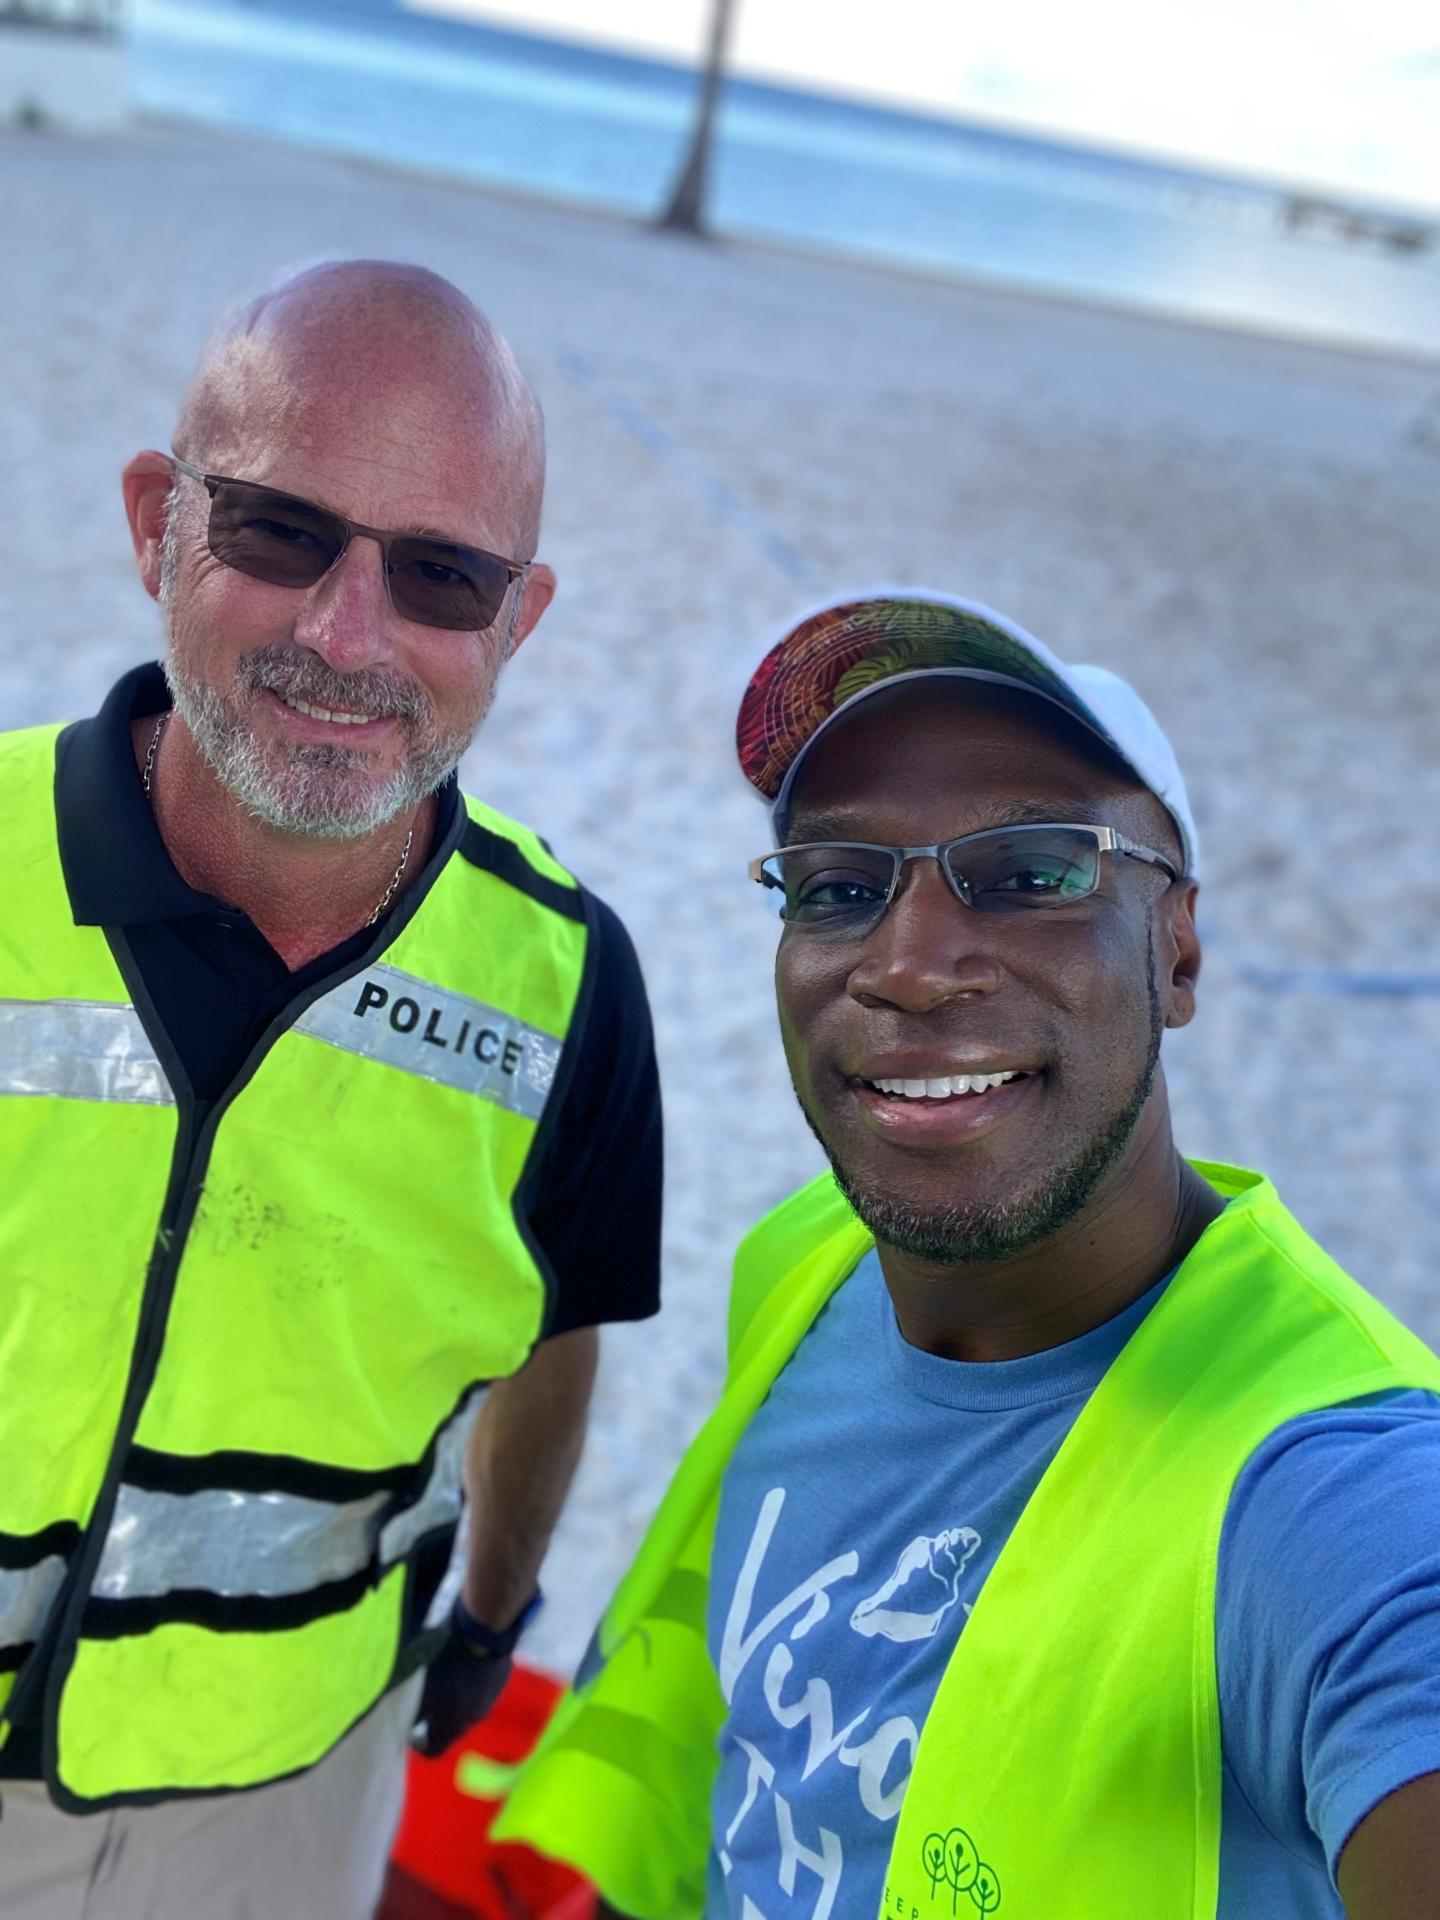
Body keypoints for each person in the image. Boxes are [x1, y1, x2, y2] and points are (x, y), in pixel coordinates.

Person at [498, 591, 1440, 1920]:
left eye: (1031, 873)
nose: (914, 963)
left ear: (1177, 949)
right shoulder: (809, 1264)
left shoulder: (1327, 1498)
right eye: (838, 886)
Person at [0, 260, 662, 1917]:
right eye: (282, 532)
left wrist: (494, 1617)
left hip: (285, 1791)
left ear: (518, 622)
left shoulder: (573, 993)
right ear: (160, 521)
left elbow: (553, 1335)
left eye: (442, 576)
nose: (348, 635)